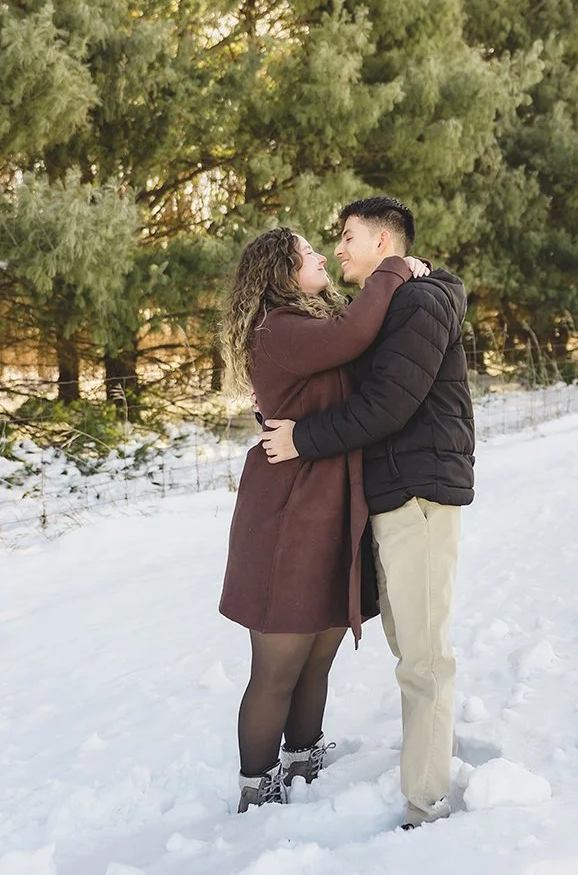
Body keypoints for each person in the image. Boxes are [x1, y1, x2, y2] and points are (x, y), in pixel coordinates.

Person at [261, 197, 475, 828]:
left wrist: (302, 438)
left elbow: (387, 406)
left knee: (424, 656)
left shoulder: (418, 302)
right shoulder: (392, 304)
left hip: (421, 492)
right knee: (409, 645)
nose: (340, 248)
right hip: (395, 492)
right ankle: (426, 775)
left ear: (384, 242)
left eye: (349, 236)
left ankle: (425, 802)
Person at [218, 226, 427, 811]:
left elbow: (361, 347)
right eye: (309, 252)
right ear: (280, 272)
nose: (321, 257)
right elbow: (351, 333)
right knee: (278, 664)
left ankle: (303, 757)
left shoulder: (310, 322)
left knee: (319, 651)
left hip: (333, 502)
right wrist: (393, 267)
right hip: (288, 508)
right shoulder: (278, 329)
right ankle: (256, 789)